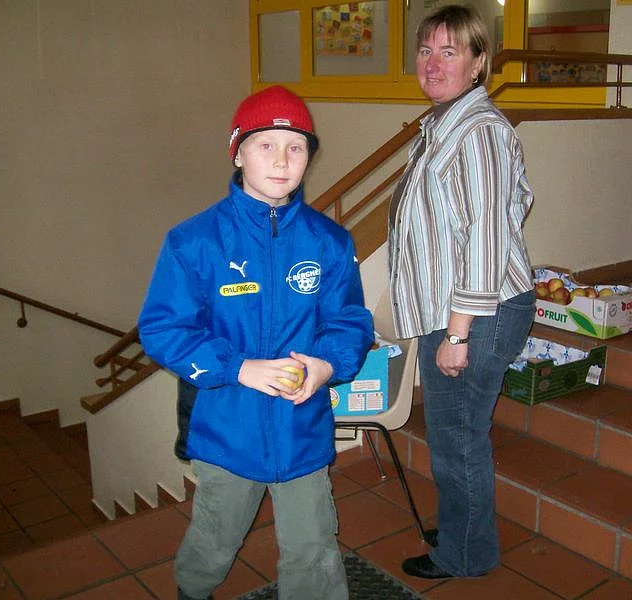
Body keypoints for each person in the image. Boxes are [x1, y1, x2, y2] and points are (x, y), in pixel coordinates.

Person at [137, 85, 374, 600]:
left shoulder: (330, 242)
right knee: (215, 538)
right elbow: (163, 328)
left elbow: (350, 322)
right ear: (238, 153)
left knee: (314, 547)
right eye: (266, 145)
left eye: (296, 147)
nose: (282, 160)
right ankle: (191, 591)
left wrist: (325, 366)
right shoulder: (194, 241)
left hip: (301, 427)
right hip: (225, 427)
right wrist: (239, 367)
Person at [388, 5, 536, 580]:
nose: (433, 63)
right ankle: (462, 526)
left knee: (458, 439)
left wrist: (457, 334)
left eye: (450, 52)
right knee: (453, 434)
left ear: (478, 63)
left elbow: (486, 239)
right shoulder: (444, 124)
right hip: (458, 311)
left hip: (476, 315)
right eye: (426, 50)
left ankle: (466, 554)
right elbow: (513, 202)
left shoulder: (478, 132)